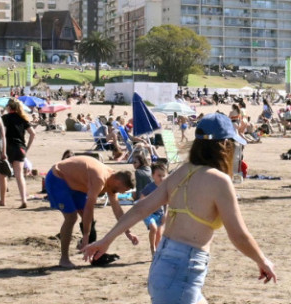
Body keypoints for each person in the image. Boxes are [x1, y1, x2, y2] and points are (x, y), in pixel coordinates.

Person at [83, 113, 276, 302]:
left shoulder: (182, 172)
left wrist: (107, 239)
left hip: (162, 267)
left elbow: (141, 208)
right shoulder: (219, 181)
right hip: (183, 272)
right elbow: (239, 235)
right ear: (224, 146)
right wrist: (262, 260)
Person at [45, 155, 139, 268]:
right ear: (118, 182)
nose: (124, 193)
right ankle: (64, 259)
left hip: (77, 184)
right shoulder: (100, 179)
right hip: (58, 178)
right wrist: (85, 236)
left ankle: (92, 254)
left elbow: (117, 209)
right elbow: (89, 207)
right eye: (125, 190)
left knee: (90, 221)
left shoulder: (112, 179)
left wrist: (128, 232)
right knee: (71, 217)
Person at [0, 100, 35, 208]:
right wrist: (27, 147)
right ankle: (24, 200)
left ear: (9, 107)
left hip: (8, 147)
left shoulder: (5, 118)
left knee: (2, 174)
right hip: (20, 148)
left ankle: (3, 201)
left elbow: (2, 134)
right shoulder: (23, 118)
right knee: (19, 175)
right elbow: (33, 133)